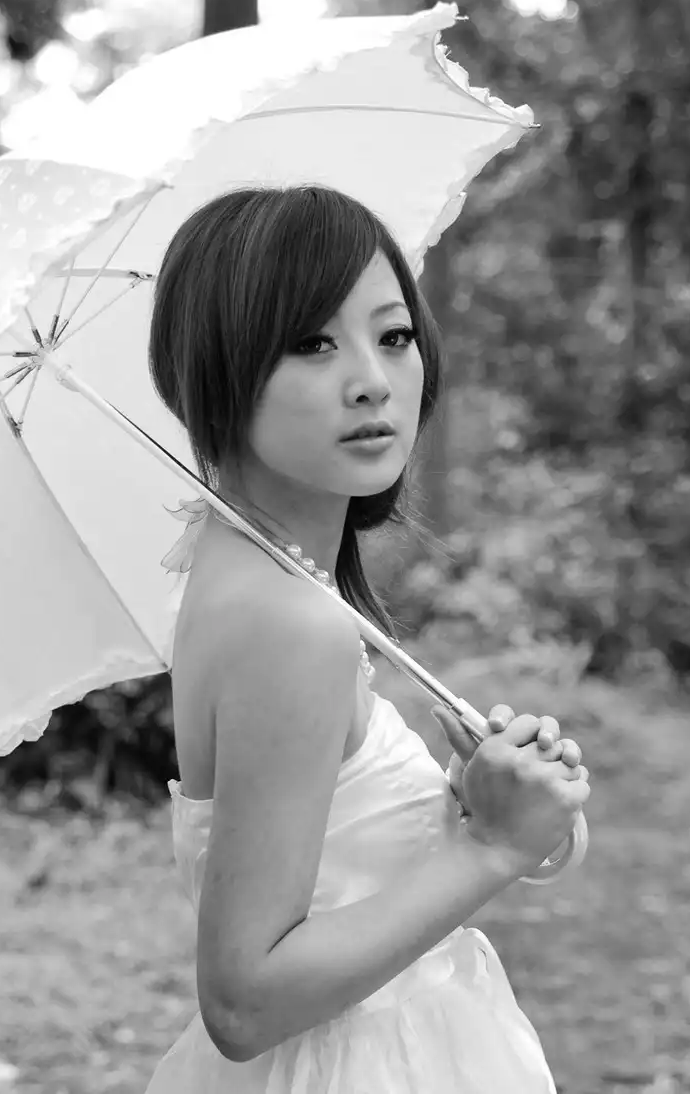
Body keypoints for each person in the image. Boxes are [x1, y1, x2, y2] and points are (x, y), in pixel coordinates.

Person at [142, 184, 592, 1093]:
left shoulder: (253, 575)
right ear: (222, 369)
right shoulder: (289, 620)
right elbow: (244, 1000)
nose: (374, 380)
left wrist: (477, 803)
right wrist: (489, 851)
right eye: (313, 342)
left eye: (393, 335)